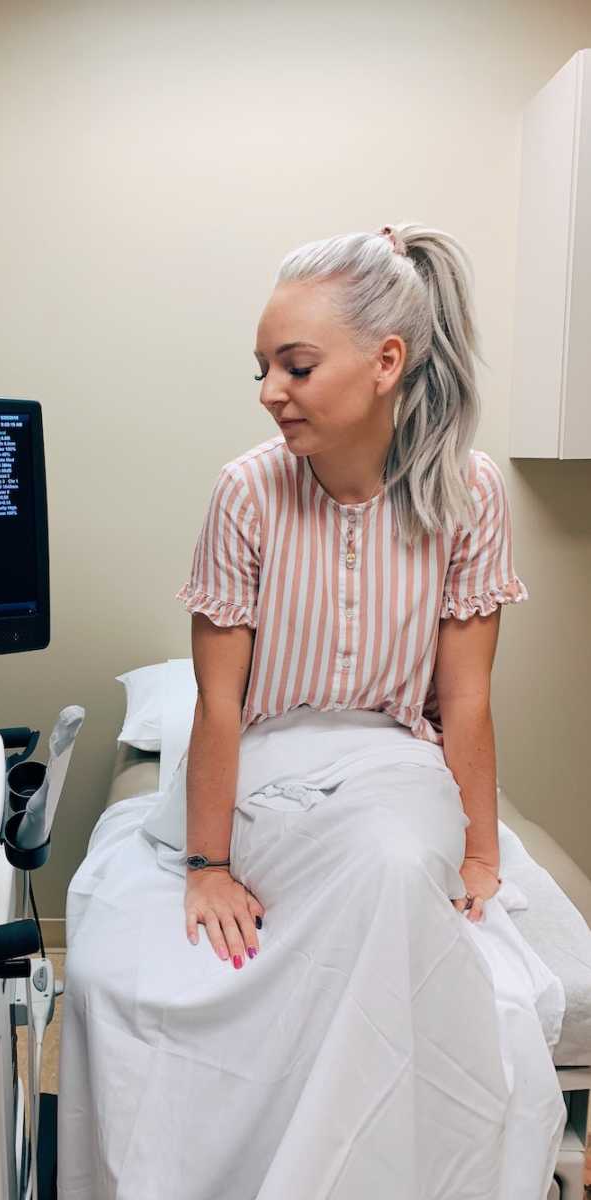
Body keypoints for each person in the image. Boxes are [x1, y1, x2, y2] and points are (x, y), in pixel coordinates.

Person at [57, 223, 567, 1200]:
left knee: (390, 860)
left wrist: (483, 852)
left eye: (294, 365)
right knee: (157, 972)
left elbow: (464, 697)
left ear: (387, 363)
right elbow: (216, 702)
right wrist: (207, 865)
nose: (267, 393)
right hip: (260, 764)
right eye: (261, 369)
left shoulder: (471, 493)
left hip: (390, 760)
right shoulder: (247, 491)